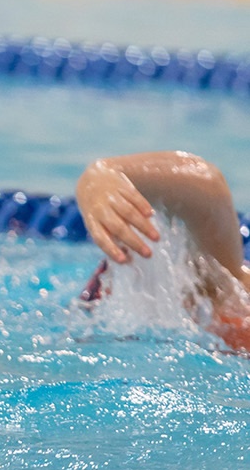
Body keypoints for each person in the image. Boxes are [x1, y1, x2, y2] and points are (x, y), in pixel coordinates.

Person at [75, 150, 250, 351]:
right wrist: (101, 177)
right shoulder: (211, 293)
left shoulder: (221, 292)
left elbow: (210, 188)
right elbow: (208, 190)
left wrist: (100, 174)